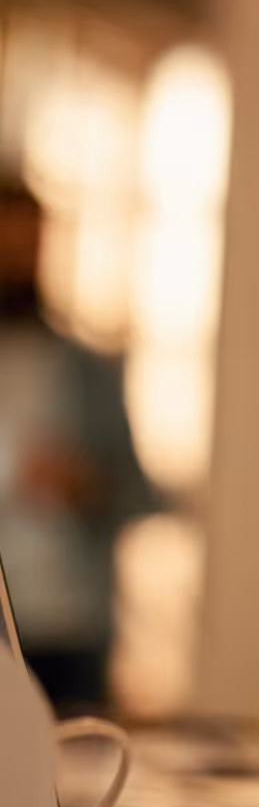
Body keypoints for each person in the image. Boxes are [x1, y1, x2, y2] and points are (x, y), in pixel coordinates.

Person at [0, 178, 158, 713]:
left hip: (67, 630)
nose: (19, 262)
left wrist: (87, 487)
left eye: (30, 246)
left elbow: (142, 494)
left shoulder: (86, 370)